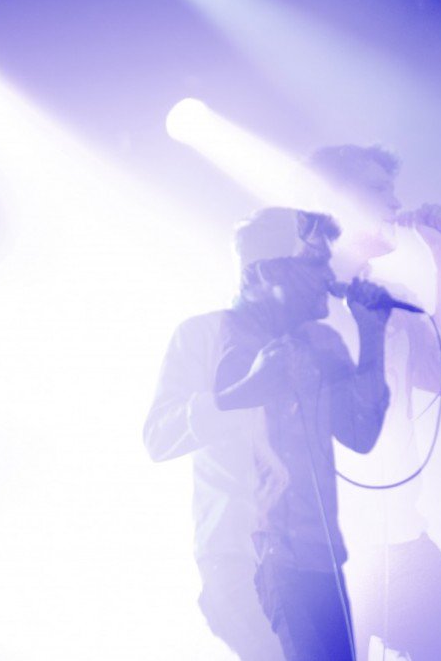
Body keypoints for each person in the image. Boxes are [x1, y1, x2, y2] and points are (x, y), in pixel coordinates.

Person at [144, 206, 391, 661]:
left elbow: (360, 433)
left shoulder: (323, 343)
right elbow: (158, 437)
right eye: (313, 261)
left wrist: (372, 337)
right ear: (262, 274)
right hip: (243, 561)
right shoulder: (200, 336)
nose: (327, 275)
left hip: (321, 561)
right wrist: (243, 392)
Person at [307, 145, 441, 660]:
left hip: (403, 540)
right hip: (325, 548)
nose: (395, 202)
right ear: (330, 200)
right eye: (377, 189)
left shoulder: (391, 293)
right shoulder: (297, 299)